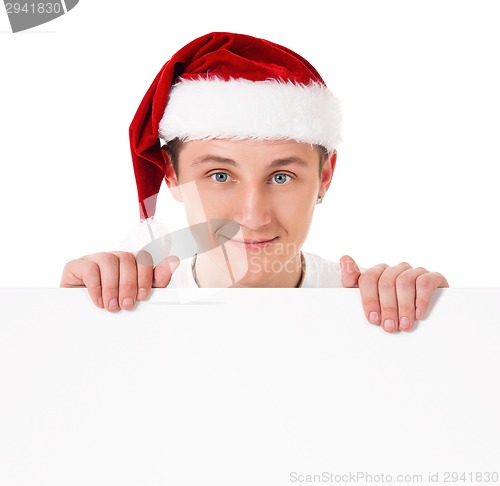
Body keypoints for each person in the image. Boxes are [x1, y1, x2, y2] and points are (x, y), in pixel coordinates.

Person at [60, 32, 448, 333]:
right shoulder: (135, 305)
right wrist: (64, 322)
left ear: (324, 177)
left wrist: (441, 323)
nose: (253, 215)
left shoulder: (366, 306)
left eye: (282, 176)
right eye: (220, 175)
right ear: (172, 176)